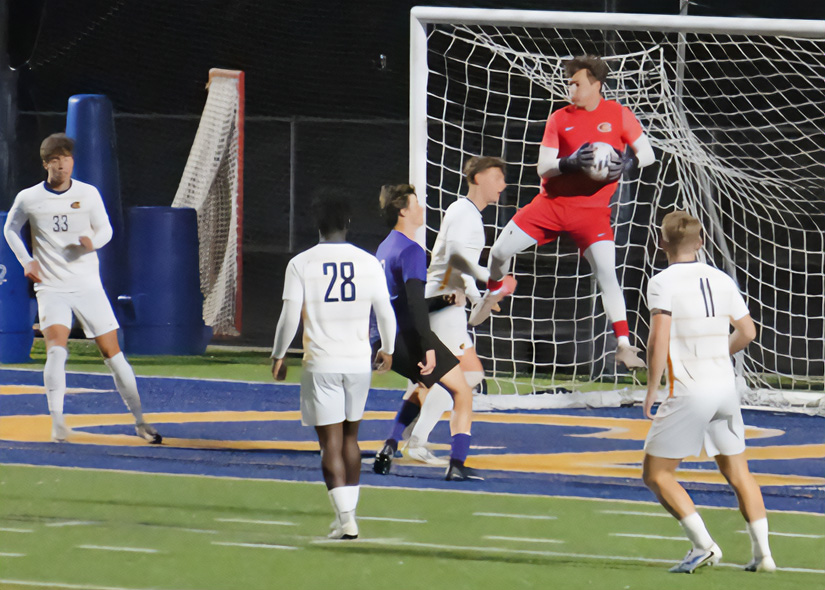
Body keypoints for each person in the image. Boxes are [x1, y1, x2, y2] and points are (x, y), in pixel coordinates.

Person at [473, 55, 656, 370]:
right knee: (500, 251)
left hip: (593, 213)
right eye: (569, 82)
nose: (570, 87)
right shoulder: (560, 118)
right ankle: (493, 290)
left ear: (597, 84)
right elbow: (543, 166)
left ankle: (624, 345)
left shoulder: (618, 114)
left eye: (577, 82)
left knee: (607, 274)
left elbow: (648, 154)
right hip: (551, 206)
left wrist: (627, 163)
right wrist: (570, 162)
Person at [2, 133, 161, 444]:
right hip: (51, 286)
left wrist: (93, 242)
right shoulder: (29, 197)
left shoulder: (88, 194)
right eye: (57, 160)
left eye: (68, 158)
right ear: (46, 164)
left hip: (88, 286)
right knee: (57, 352)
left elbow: (106, 229)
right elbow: (10, 228)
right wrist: (26, 260)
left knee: (113, 355)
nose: (64, 165)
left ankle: (141, 421)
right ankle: (58, 422)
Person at [642, 211, 775, 574]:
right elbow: (747, 332)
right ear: (700, 243)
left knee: (657, 474)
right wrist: (718, 351)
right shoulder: (721, 278)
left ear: (661, 242)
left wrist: (652, 388)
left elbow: (658, 339)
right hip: (725, 388)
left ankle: (704, 546)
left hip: (690, 390)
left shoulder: (661, 281)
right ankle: (764, 555)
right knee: (738, 471)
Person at [270, 195, 396, 540]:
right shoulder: (369, 262)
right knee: (351, 439)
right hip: (358, 362)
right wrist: (388, 347)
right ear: (348, 224)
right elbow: (385, 311)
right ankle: (348, 516)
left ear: (317, 225)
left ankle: (345, 519)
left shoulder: (301, 263)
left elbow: (289, 316)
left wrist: (279, 354)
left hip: (321, 362)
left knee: (330, 444)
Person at [402, 156, 513, 465]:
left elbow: (457, 261)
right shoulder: (465, 214)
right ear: (477, 179)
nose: (503, 185)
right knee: (468, 375)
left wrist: (480, 293)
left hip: (445, 304)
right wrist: (485, 286)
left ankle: (399, 440)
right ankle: (416, 441)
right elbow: (456, 258)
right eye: (497, 177)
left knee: (432, 381)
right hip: (443, 305)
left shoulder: (465, 213)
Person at [372, 184, 480, 481]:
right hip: (408, 336)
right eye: (416, 203)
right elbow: (415, 306)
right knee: (462, 391)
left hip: (385, 338)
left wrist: (444, 299)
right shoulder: (411, 250)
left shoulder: (384, 248)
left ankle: (389, 447)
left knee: (424, 384)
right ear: (403, 211)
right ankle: (457, 464)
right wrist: (427, 347)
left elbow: (396, 301)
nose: (422, 208)